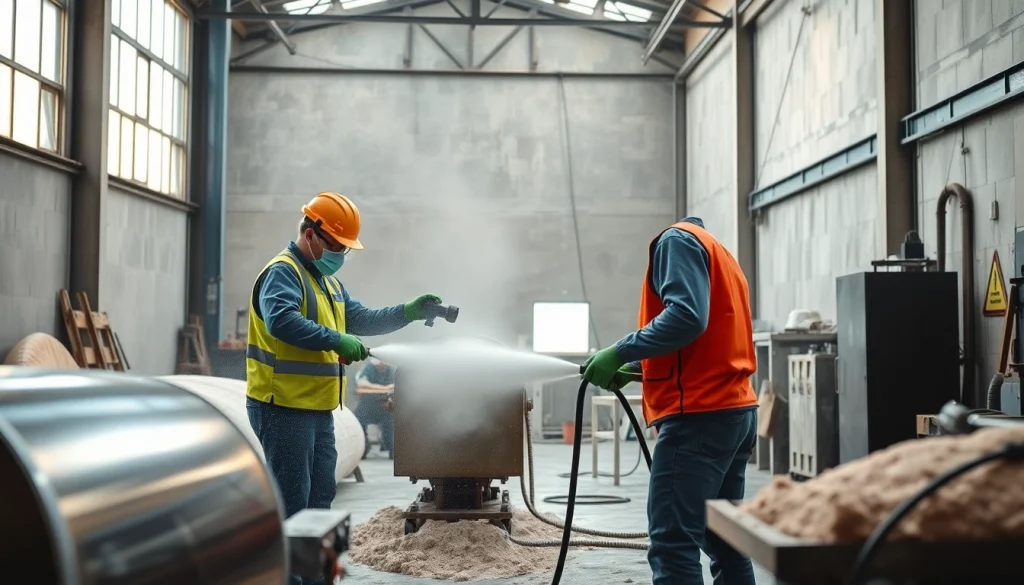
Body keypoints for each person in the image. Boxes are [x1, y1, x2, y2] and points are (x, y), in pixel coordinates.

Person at [245, 191, 442, 585]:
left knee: (320, 501)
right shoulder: (283, 272)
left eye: (344, 249)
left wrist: (408, 312)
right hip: (283, 407)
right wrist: (337, 340)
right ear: (310, 234)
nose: (340, 254)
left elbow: (362, 319)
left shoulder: (328, 282)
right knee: (295, 507)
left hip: (316, 409)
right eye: (336, 246)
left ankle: (318, 578)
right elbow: (281, 320)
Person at [581, 216, 758, 585]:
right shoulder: (720, 253)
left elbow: (687, 317)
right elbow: (705, 341)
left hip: (699, 417)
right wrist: (636, 366)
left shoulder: (675, 241)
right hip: (733, 410)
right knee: (726, 541)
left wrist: (619, 350)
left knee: (673, 543)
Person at [354, 357, 397, 459]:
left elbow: (397, 385)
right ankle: (362, 451)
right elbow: (361, 384)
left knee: (389, 428)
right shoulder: (369, 368)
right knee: (360, 427)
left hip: (385, 405)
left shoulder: (391, 370)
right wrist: (384, 388)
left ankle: (392, 450)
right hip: (367, 404)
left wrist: (373, 388)